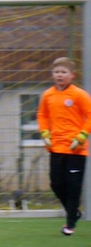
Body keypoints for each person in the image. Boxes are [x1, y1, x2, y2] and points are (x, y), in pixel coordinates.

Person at [37, 56, 91, 236]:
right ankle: (73, 212)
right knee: (56, 183)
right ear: (52, 74)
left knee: (73, 185)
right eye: (57, 72)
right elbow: (42, 116)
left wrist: (81, 136)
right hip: (56, 148)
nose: (60, 75)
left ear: (72, 75)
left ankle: (70, 224)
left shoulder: (79, 95)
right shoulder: (48, 95)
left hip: (76, 149)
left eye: (63, 72)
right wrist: (45, 133)